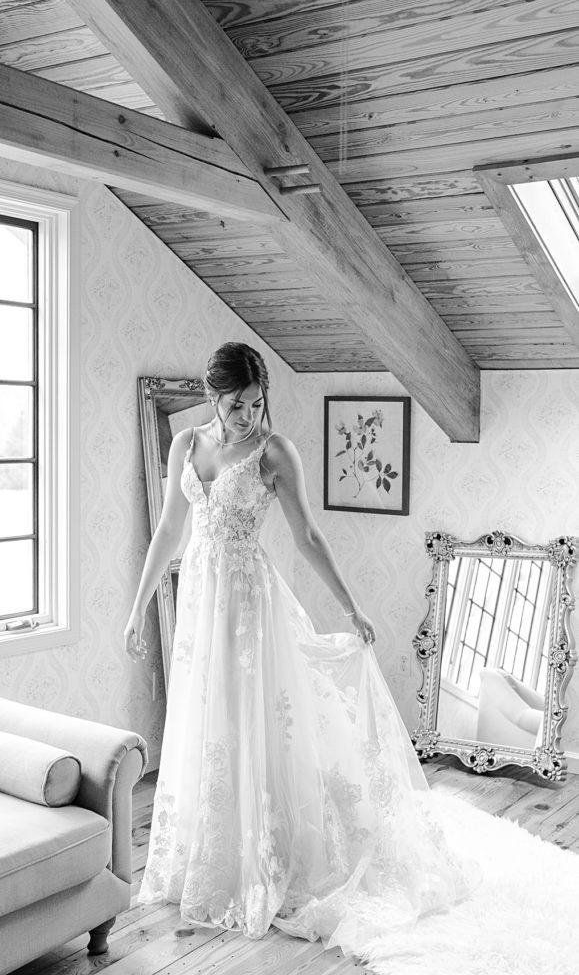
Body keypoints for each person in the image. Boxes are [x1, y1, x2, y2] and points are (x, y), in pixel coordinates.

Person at [122, 342, 480, 958]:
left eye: (257, 404)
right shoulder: (185, 445)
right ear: (213, 395)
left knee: (253, 722)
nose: (246, 416)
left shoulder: (273, 452)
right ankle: (202, 857)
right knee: (205, 722)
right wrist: (138, 606)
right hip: (200, 606)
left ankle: (263, 853)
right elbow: (169, 531)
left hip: (248, 605)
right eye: (235, 405)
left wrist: (351, 606)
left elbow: (308, 534)